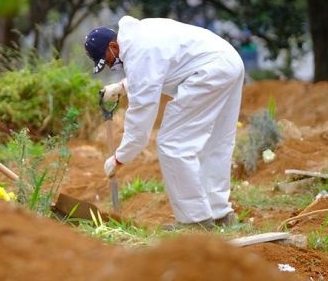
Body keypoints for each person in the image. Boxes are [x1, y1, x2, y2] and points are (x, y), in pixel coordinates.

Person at [84, 16, 245, 229]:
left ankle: (194, 221)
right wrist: (122, 87)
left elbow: (140, 122)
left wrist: (119, 158)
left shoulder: (139, 53)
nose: (112, 65)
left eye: (109, 60)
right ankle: (221, 214)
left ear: (114, 46)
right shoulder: (139, 35)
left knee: (172, 144)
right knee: (217, 142)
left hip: (210, 71)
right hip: (228, 61)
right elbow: (156, 69)